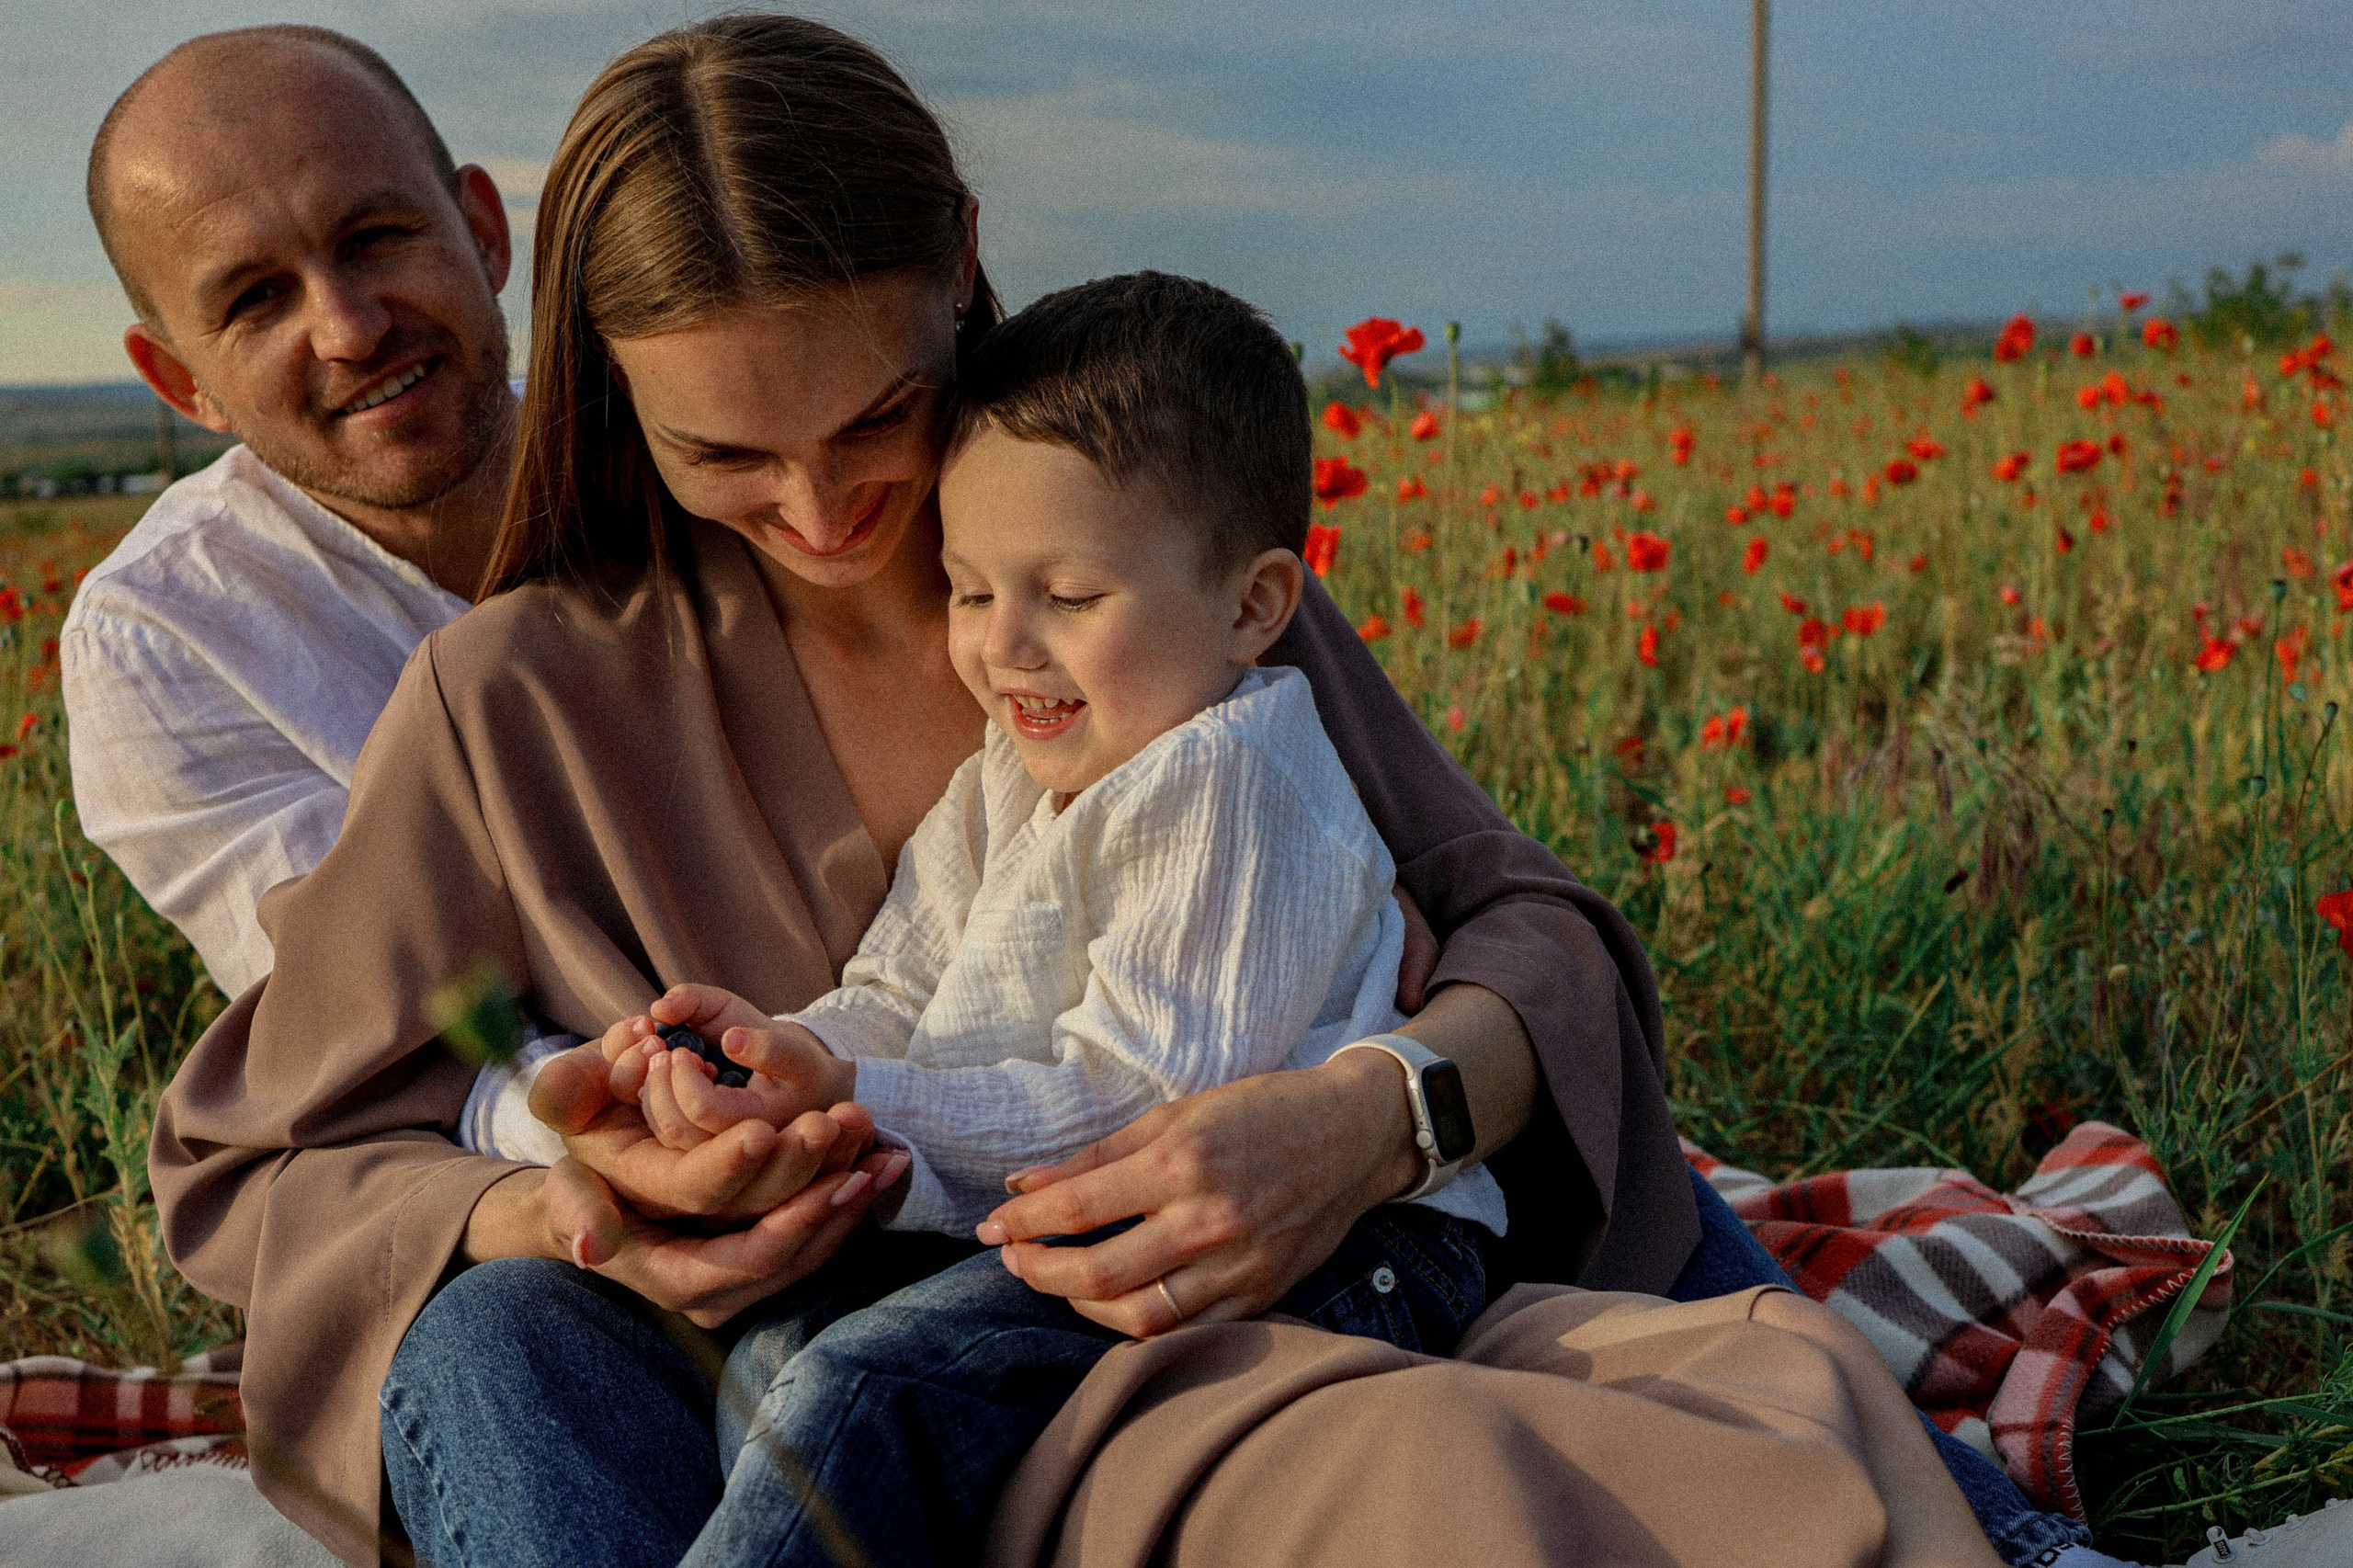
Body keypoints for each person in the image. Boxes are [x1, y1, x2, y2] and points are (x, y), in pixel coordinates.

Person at [113, 15, 2111, 1568]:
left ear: (960, 270)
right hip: (806, 1386)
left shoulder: (1119, 567)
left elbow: (1528, 936)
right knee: (504, 1346)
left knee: (1615, 1420)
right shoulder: (512, 698)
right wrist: (581, 1196)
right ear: (613, 384)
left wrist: (1364, 1112)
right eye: (728, 455)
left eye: (879, 416)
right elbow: (266, 1159)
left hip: (1212, 1313)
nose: (824, 512)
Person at [525, 271, 1506, 1566]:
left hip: (1341, 1249)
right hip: (1081, 1228)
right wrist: (782, 1063)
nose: (1005, 646)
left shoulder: (1227, 777)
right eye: (972, 589)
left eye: (1070, 594)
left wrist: (866, 1099)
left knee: (859, 1390)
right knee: (775, 1352)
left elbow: (1140, 1104)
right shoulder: (1013, 769)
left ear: (1255, 605)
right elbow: (904, 973)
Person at [63, 25, 517, 1000]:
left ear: (484, 232)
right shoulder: (169, 636)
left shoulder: (706, 461)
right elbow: (387, 1027)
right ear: (183, 381)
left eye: (375, 240)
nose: (350, 329)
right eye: (258, 298)